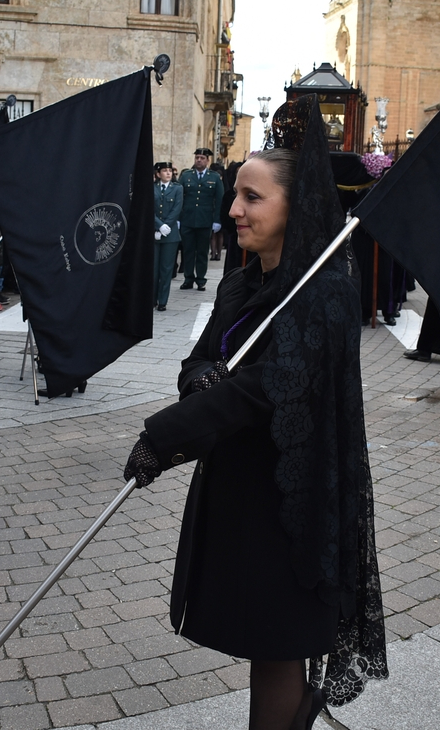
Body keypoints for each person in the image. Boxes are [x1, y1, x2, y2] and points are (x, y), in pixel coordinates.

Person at [124, 97, 386, 728]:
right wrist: (201, 379)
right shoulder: (242, 282)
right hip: (238, 488)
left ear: (296, 206)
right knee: (261, 640)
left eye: (252, 197)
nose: (234, 210)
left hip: (288, 499)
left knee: (278, 645)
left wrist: (165, 435)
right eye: (236, 195)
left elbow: (265, 388)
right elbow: (198, 361)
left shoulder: (326, 291)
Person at [177, 148, 224, 291]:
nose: (199, 160)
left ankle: (201, 279)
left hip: (205, 220)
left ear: (207, 161)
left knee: (202, 252)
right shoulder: (186, 176)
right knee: (188, 251)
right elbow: (179, 198)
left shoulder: (214, 177)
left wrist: (217, 220)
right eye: (197, 157)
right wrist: (178, 218)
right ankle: (188, 278)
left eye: (202, 158)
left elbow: (219, 200)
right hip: (187, 219)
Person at [152, 161, 182, 311]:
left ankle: (162, 301)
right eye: (164, 170)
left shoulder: (177, 188)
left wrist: (165, 227)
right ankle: (152, 299)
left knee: (166, 269)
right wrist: (158, 226)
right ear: (158, 174)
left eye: (170, 170)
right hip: (154, 233)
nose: (168, 173)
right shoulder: (152, 188)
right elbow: (148, 208)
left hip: (170, 235)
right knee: (153, 269)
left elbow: (177, 209)